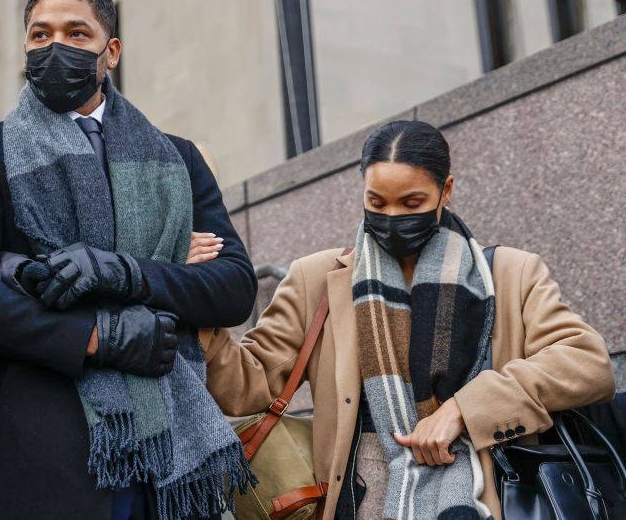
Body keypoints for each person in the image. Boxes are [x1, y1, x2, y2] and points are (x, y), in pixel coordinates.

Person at [0, 0, 258, 520]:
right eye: (40, 35)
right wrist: (93, 337)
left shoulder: (178, 159)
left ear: (111, 52)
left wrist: (125, 273)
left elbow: (233, 288)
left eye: (77, 33)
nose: (56, 47)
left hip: (169, 462)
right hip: (46, 459)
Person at [201, 120, 616, 520]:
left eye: (412, 203)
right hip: (362, 498)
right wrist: (194, 297)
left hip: (481, 494)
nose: (393, 216)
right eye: (377, 203)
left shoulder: (509, 273)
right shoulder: (317, 279)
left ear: (446, 190)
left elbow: (588, 364)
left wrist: (463, 410)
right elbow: (246, 386)